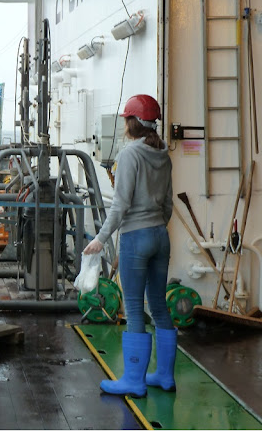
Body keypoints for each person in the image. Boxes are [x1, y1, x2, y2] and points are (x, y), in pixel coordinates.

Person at [83, 94, 176, 398]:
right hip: (160, 235)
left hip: (136, 236)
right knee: (159, 304)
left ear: (131, 122)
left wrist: (101, 238)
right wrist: (156, 226)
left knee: (134, 307)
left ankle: (134, 381)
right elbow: (168, 204)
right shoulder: (164, 155)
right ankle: (164, 376)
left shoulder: (129, 155)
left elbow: (120, 204)